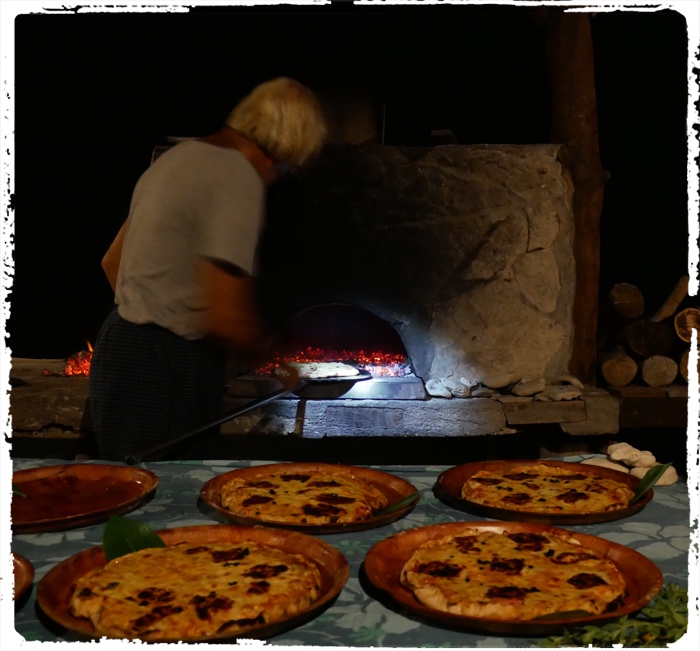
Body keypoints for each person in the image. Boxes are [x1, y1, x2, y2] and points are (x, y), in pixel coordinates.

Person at [89, 77, 328, 461]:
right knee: (170, 501)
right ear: (290, 147)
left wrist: (152, 308)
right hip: (167, 367)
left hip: (118, 351)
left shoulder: (176, 160)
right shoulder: (236, 176)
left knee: (129, 496)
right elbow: (226, 314)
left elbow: (111, 263)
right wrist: (281, 366)